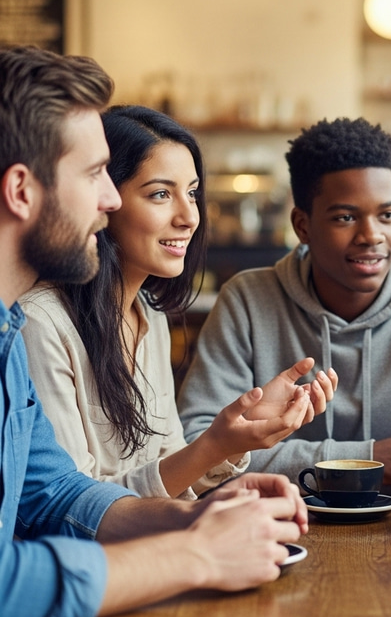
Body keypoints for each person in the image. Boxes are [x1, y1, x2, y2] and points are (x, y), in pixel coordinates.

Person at [0, 45, 310, 617]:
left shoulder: (7, 337)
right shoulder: (35, 323)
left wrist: (202, 515)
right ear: (21, 190)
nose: (112, 199)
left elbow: (58, 494)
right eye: (95, 176)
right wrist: (197, 553)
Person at [178, 117, 391, 500]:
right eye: (346, 217)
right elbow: (198, 448)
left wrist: (276, 458)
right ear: (302, 226)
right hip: (285, 528)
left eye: (387, 215)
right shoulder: (248, 300)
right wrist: (361, 462)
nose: (371, 236)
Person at [20, 105, 336, 499]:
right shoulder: (41, 324)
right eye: (160, 194)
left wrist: (239, 434)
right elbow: (74, 507)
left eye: (191, 193)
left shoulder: (148, 315)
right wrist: (215, 445)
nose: (189, 216)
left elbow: (169, 472)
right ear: (102, 202)